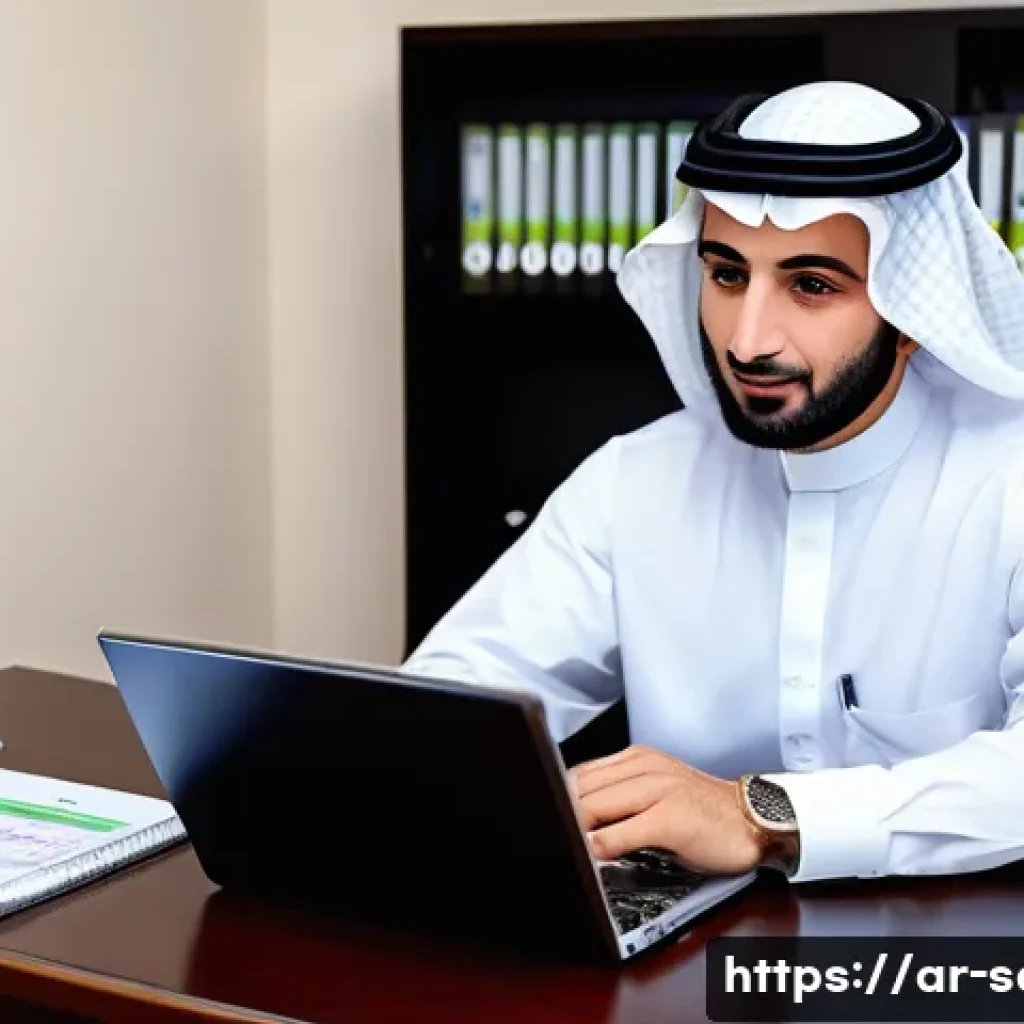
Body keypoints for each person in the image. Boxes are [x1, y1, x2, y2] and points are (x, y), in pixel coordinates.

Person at [402, 81, 1024, 885]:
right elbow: (452, 706)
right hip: (687, 976)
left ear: (910, 314)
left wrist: (760, 817)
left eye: (811, 285)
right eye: (728, 275)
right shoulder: (638, 479)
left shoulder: (1008, 478)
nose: (748, 339)